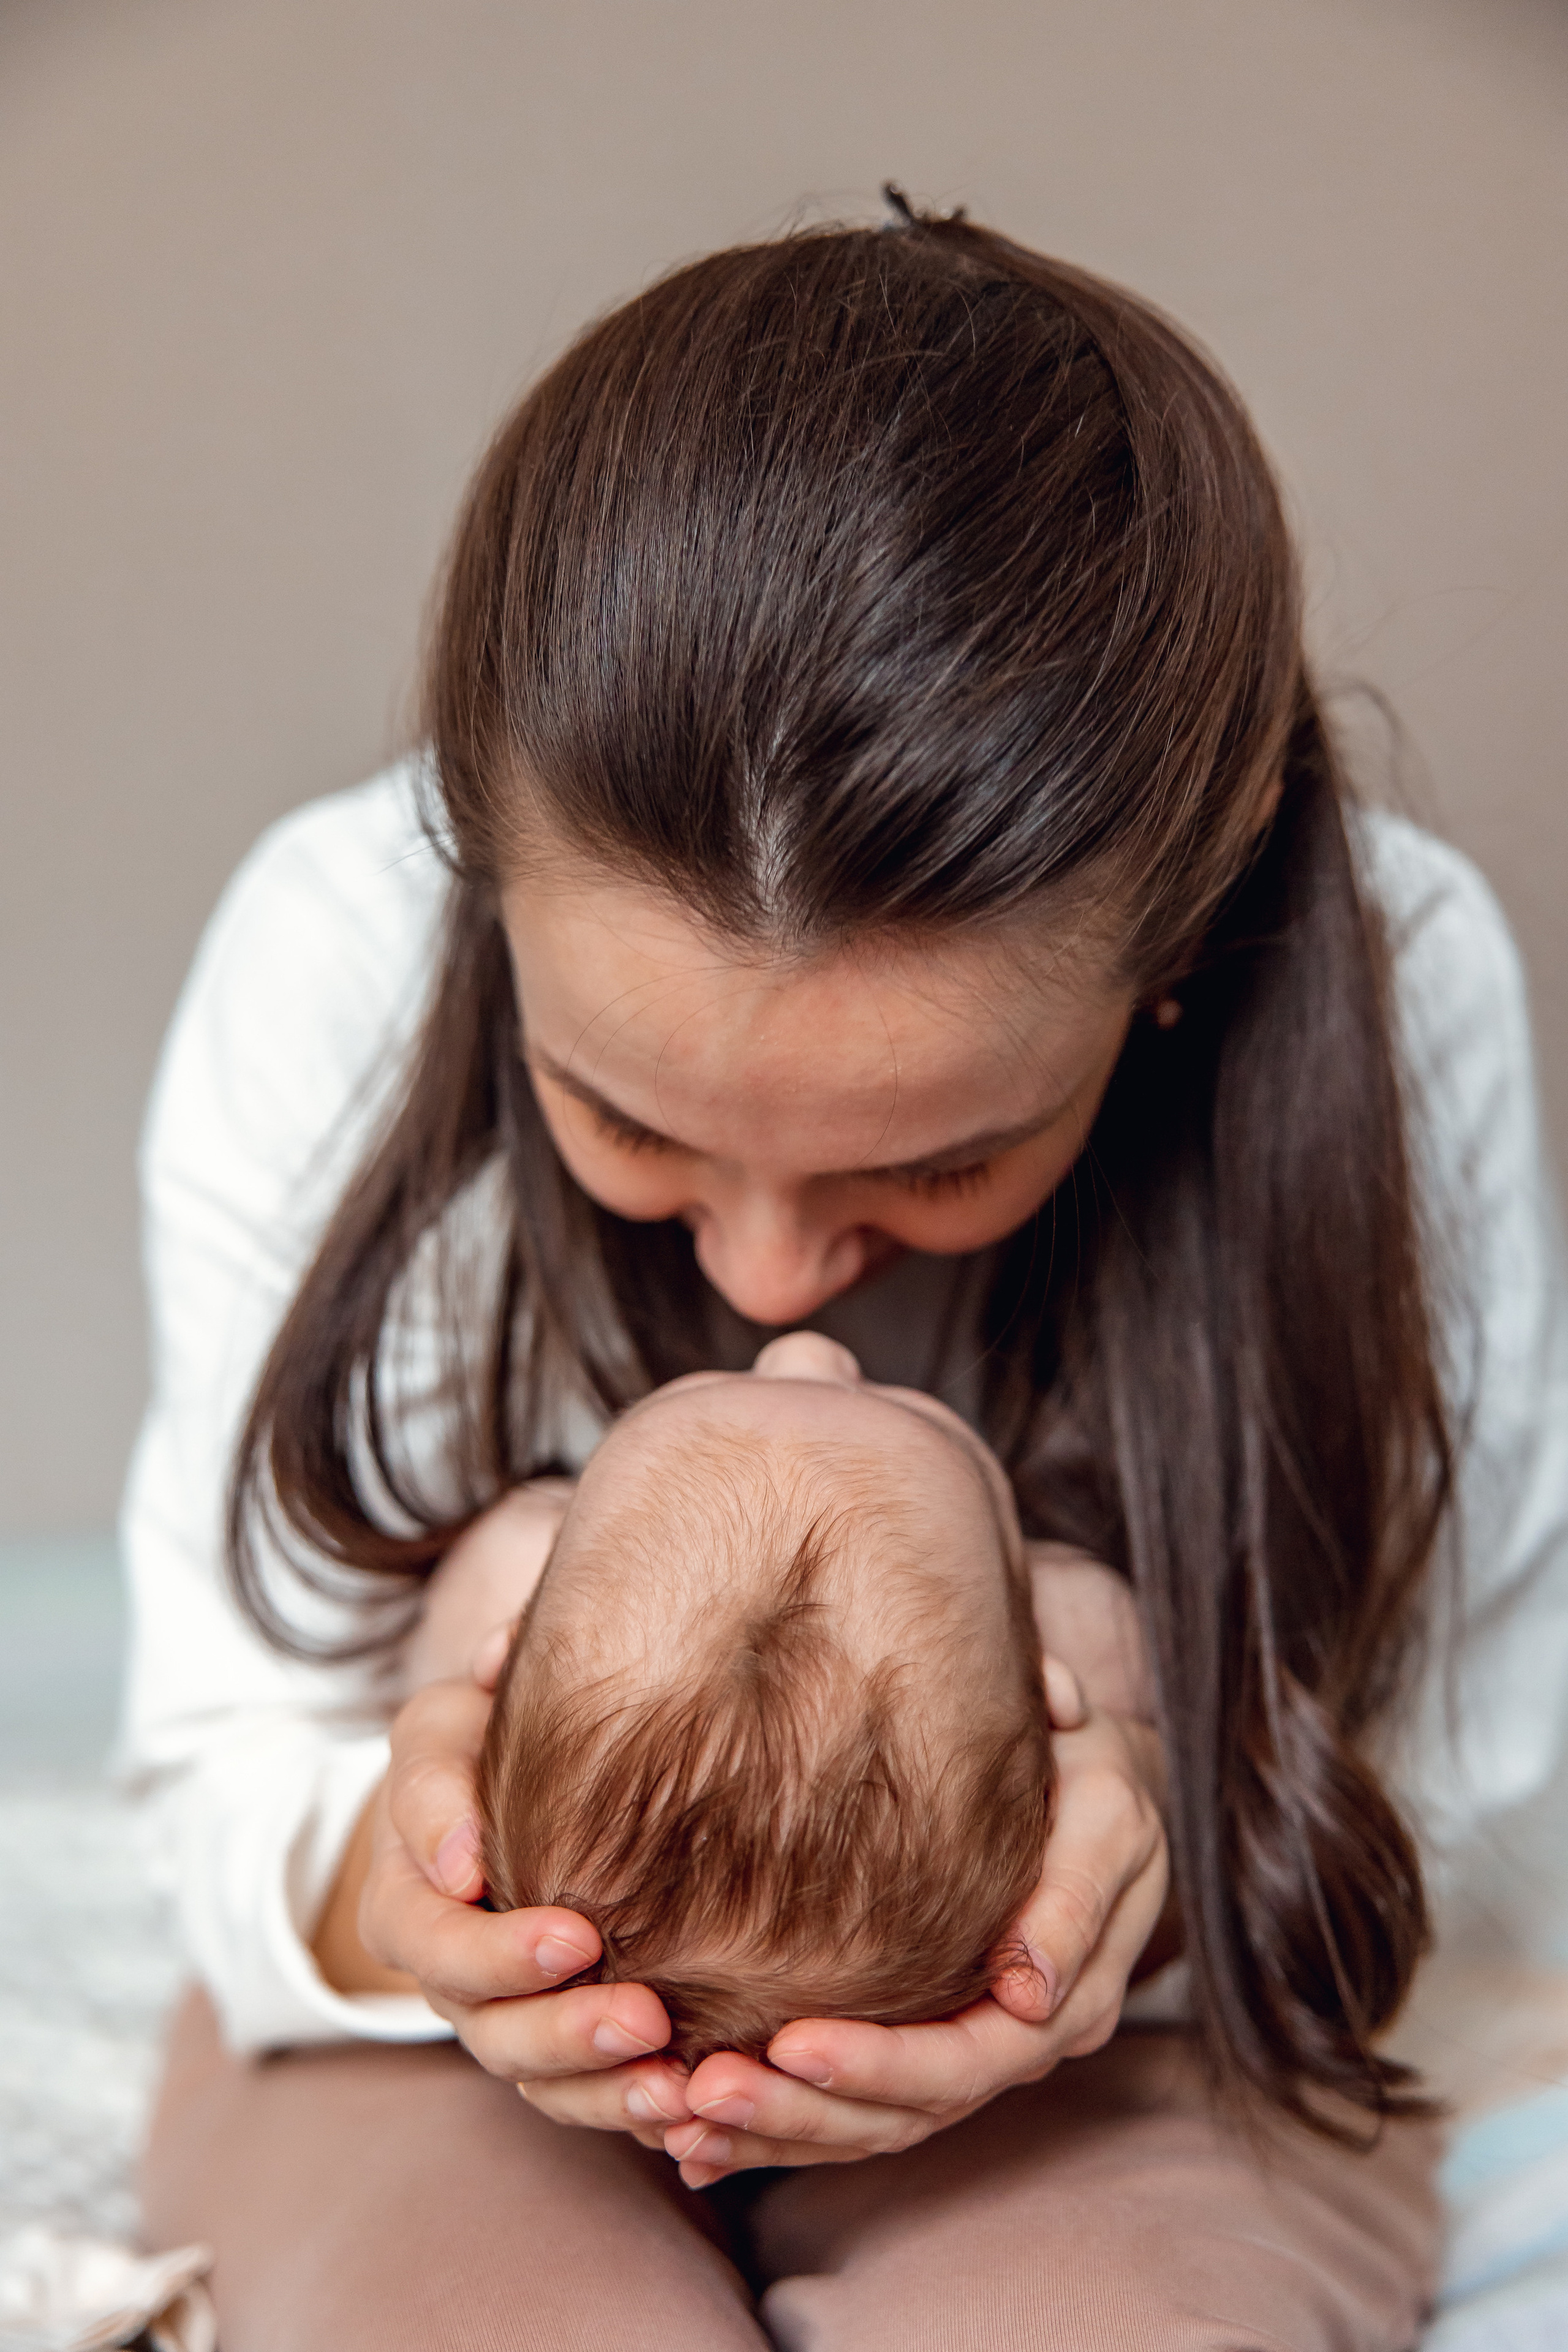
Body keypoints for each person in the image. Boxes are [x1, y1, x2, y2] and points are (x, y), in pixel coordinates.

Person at [125, 205, 1568, 2350]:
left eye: (945, 1156)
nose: (776, 1279)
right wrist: (430, 1904)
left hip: (1154, 2035)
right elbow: (232, 1761)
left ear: (1180, 958)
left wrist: (1131, 1882)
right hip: (428, 2044)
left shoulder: (1384, 982)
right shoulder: (334, 953)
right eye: (627, 1121)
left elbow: (1466, 1800)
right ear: (481, 899)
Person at [448, 1334, 1060, 2065]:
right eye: (903, 1410)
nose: (808, 1348)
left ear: (503, 1646)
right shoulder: (1093, 1633)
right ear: (1047, 1680)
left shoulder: (486, 1580)